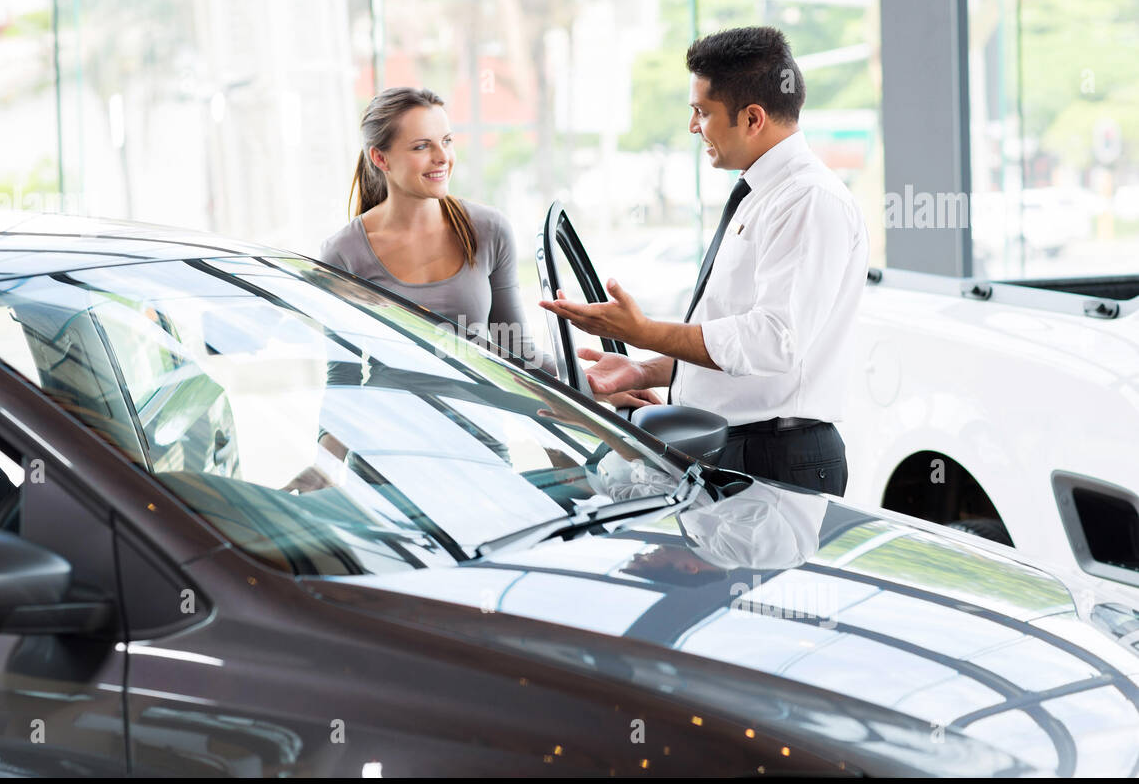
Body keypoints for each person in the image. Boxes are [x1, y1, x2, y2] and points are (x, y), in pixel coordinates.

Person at [539, 26, 869, 496]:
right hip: (739, 446)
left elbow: (774, 342)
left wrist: (642, 330)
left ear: (752, 118)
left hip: (776, 455)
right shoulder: (764, 194)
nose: (693, 127)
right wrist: (646, 369)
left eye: (702, 112)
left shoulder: (808, 200)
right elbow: (732, 341)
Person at [320, 86, 557, 376]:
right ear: (380, 158)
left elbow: (519, 354)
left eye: (447, 141)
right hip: (394, 420)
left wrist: (588, 381)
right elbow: (343, 376)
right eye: (422, 146)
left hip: (482, 421)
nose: (442, 156)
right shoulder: (344, 254)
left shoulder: (489, 230)